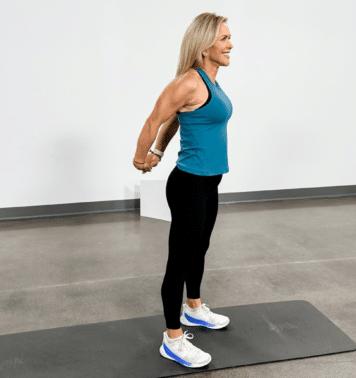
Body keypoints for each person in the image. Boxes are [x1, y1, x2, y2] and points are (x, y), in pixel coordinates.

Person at [133, 12, 233, 368]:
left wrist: (159, 149)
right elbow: (155, 117)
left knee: (200, 248)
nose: (230, 44)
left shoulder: (211, 81)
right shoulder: (189, 82)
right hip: (189, 184)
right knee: (180, 259)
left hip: (210, 182)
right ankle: (172, 338)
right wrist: (141, 156)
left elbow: (178, 119)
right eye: (223, 39)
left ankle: (193, 309)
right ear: (205, 46)